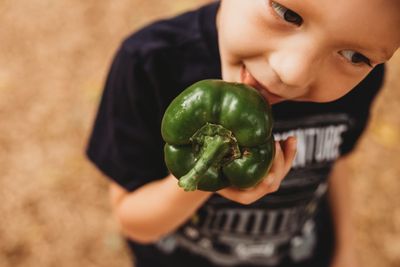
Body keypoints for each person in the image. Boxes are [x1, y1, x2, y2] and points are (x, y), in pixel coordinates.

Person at [86, 0, 399, 266]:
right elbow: (133, 221)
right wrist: (206, 175)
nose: (292, 73)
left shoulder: (360, 86)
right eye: (286, 12)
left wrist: (345, 249)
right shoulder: (150, 63)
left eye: (354, 56)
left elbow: (335, 159)